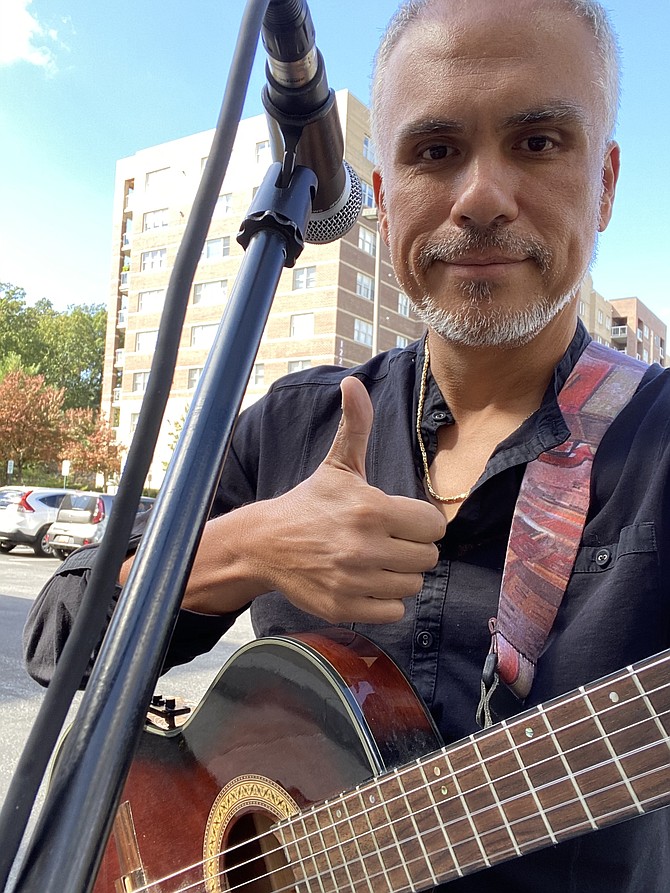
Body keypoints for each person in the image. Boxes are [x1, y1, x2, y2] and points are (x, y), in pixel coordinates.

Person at [24, 0, 670, 890]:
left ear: (604, 181)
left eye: (537, 142)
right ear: (378, 192)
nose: (480, 196)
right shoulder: (297, 423)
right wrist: (248, 546)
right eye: (435, 151)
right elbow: (58, 639)